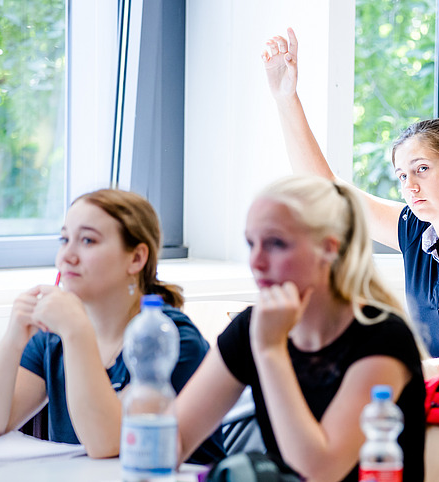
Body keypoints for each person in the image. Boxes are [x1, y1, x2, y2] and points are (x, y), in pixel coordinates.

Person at [260, 28, 439, 385]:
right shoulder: (414, 230)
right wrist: (286, 99)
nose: (410, 185)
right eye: (402, 175)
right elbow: (326, 189)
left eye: (422, 169)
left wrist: (391, 368)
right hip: (427, 399)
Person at [175, 176, 426, 482]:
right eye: (251, 243)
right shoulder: (253, 326)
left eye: (276, 243)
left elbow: (318, 472)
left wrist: (270, 350)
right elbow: (171, 442)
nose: (256, 261)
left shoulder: (384, 337)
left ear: (328, 249)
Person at [0, 189, 223, 463]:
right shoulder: (53, 338)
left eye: (87, 240)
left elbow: (108, 443)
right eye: (64, 239)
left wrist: (76, 332)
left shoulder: (170, 338)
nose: (67, 256)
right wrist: (14, 340)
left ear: (136, 259)